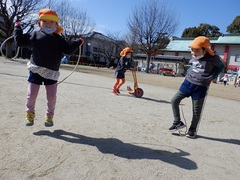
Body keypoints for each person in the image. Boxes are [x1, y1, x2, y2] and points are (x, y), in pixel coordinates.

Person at [14, 8, 84, 127]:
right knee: (31, 94)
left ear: (56, 25)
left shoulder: (59, 40)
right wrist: (17, 28)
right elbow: (20, 42)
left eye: (51, 22)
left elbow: (68, 50)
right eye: (44, 21)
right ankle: (29, 114)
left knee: (51, 97)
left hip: (52, 73)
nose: (48, 24)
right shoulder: (34, 35)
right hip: (35, 69)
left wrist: (78, 42)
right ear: (39, 23)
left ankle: (49, 116)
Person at [169, 36, 224, 138]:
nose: (194, 53)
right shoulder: (195, 56)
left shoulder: (214, 59)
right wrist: (188, 73)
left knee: (196, 110)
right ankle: (177, 122)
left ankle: (192, 129)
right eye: (192, 50)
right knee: (174, 100)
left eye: (197, 50)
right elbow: (192, 66)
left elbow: (221, 67)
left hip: (201, 86)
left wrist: (213, 77)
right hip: (187, 83)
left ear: (205, 49)